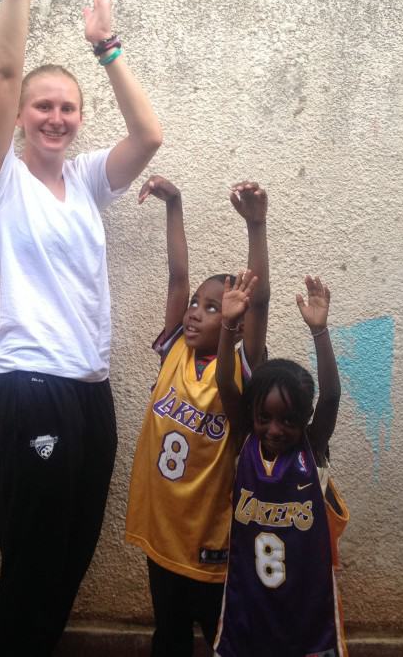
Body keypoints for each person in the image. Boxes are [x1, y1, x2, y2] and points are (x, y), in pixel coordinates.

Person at [0, 0, 163, 656]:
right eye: (42, 106)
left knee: (74, 552)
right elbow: (2, 71)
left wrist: (106, 48)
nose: (56, 118)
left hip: (90, 388)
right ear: (22, 116)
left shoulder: (85, 180)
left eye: (68, 109)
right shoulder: (0, 179)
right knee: (33, 558)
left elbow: (148, 137)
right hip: (29, 382)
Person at [124, 176, 269, 656]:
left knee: (224, 639)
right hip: (163, 531)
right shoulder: (175, 353)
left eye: (211, 308)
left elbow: (260, 302)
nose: (194, 313)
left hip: (210, 536)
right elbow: (177, 277)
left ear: (234, 320)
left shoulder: (238, 369)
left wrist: (256, 227)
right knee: (168, 637)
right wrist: (175, 204)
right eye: (195, 305)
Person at [214, 276, 350, 657]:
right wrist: (227, 328)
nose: (275, 430)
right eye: (265, 418)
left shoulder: (311, 447)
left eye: (288, 420)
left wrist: (320, 331)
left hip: (306, 607)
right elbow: (225, 382)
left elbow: (331, 397)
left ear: (304, 419)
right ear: (252, 415)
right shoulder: (246, 441)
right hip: (249, 603)